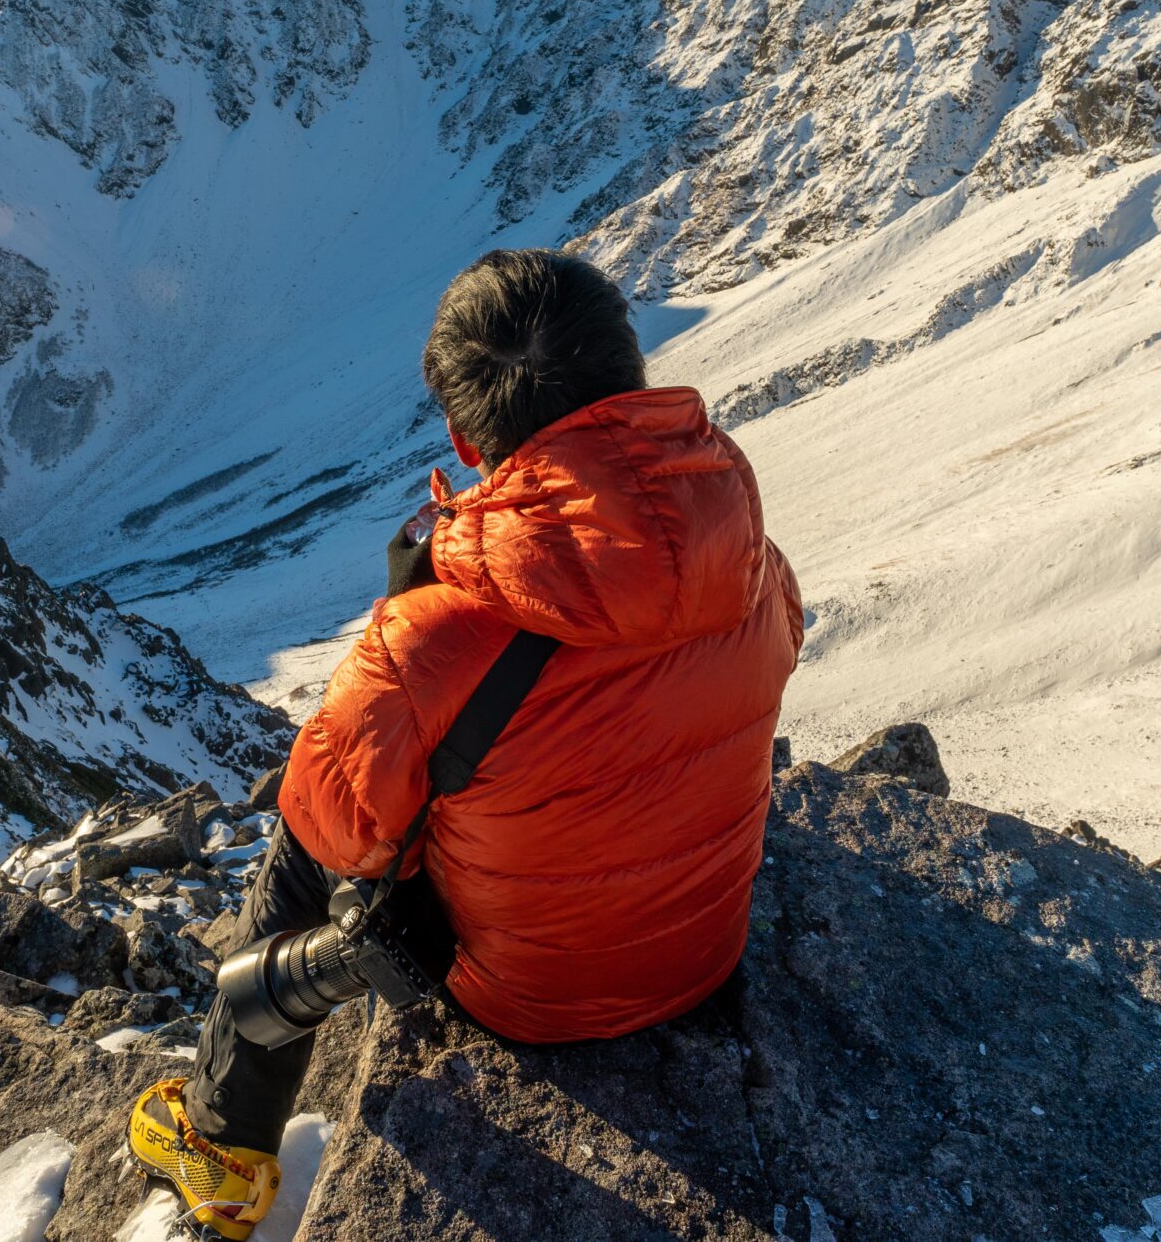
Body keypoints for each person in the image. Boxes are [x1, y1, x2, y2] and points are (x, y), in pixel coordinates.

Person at [126, 249, 805, 1238]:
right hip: (703, 953)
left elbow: (336, 826)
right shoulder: (743, 553)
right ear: (631, 381)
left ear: (462, 435)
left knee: (308, 819)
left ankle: (225, 1148)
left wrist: (401, 631)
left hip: (533, 999)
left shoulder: (442, 632)